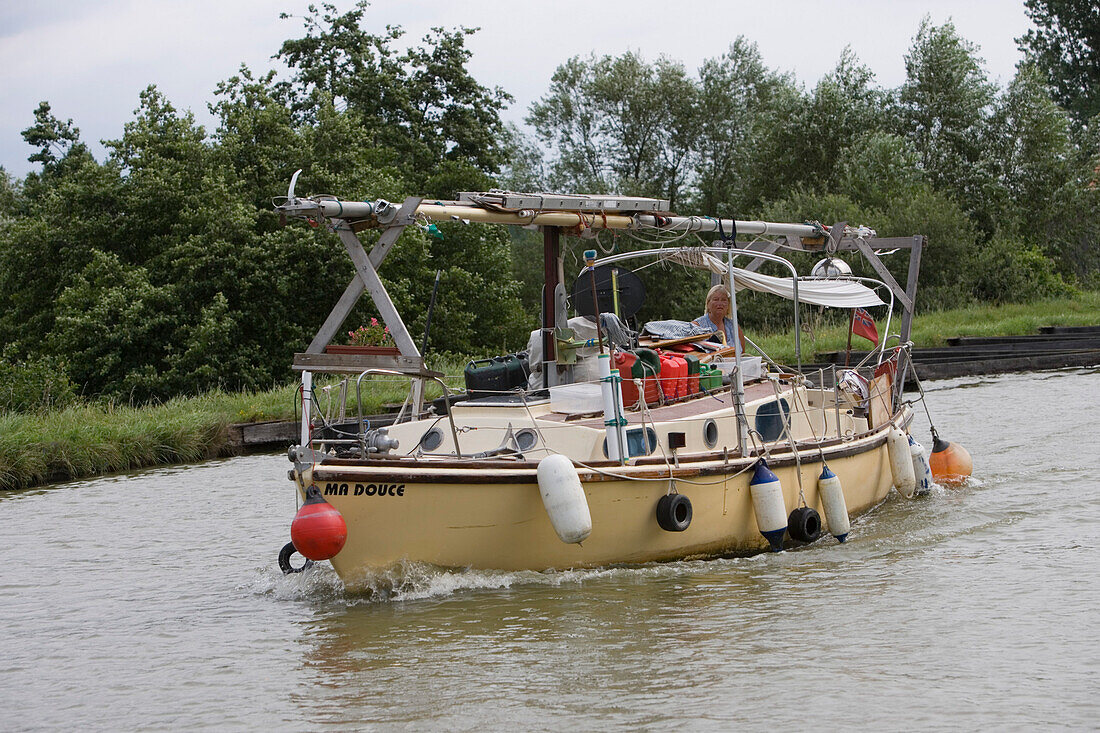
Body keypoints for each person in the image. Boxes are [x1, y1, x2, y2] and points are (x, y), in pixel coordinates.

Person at [692, 284, 746, 350]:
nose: (720, 303)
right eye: (716, 299)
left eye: (723, 300)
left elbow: (742, 353)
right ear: (708, 304)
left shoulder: (734, 327)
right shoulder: (696, 326)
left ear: (728, 304)